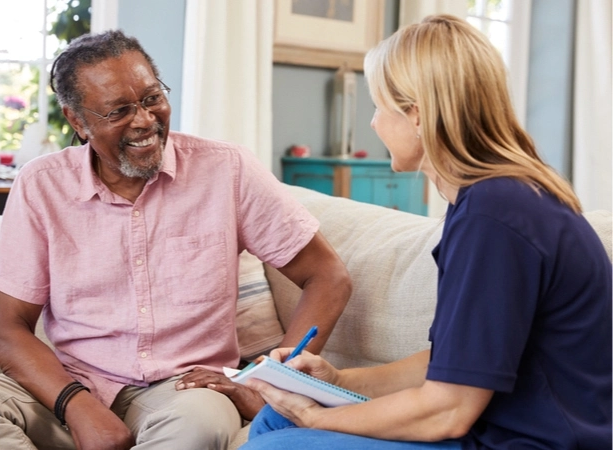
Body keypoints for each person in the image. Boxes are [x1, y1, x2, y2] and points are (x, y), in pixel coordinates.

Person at [0, 30, 352, 450]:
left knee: (200, 423)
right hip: (73, 386)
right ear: (78, 120)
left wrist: (268, 379)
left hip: (186, 390)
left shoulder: (227, 169)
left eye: (152, 98)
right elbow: (8, 329)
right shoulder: (41, 185)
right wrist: (78, 407)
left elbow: (327, 276)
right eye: (119, 111)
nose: (146, 121)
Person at [240, 14, 612, 450]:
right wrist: (338, 379)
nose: (375, 123)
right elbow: (452, 363)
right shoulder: (486, 200)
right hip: (491, 427)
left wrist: (313, 418)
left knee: (278, 444)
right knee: (271, 422)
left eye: (379, 107)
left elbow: (448, 409)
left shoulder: (495, 217)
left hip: (527, 442)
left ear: (416, 115)